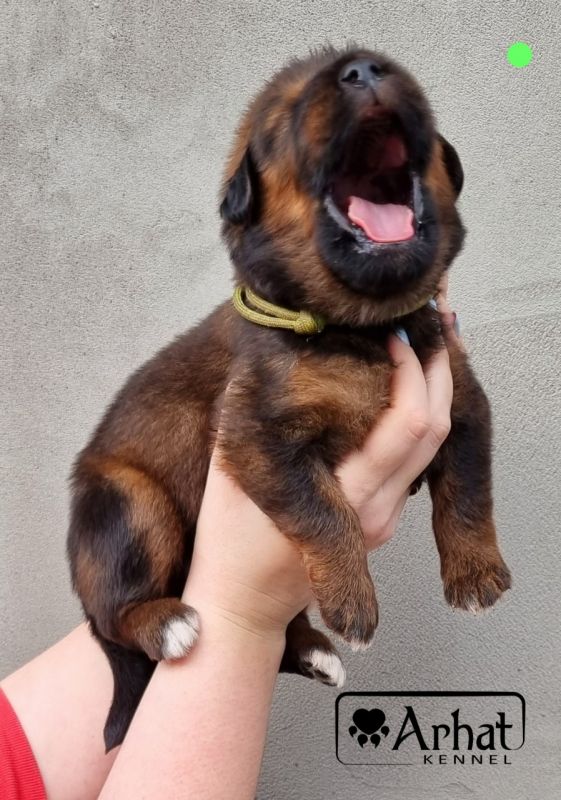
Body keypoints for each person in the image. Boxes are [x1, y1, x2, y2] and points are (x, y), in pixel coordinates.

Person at [0, 293, 460, 800]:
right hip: (135, 500)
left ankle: (280, 635)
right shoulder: (279, 326)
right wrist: (245, 611)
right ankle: (136, 615)